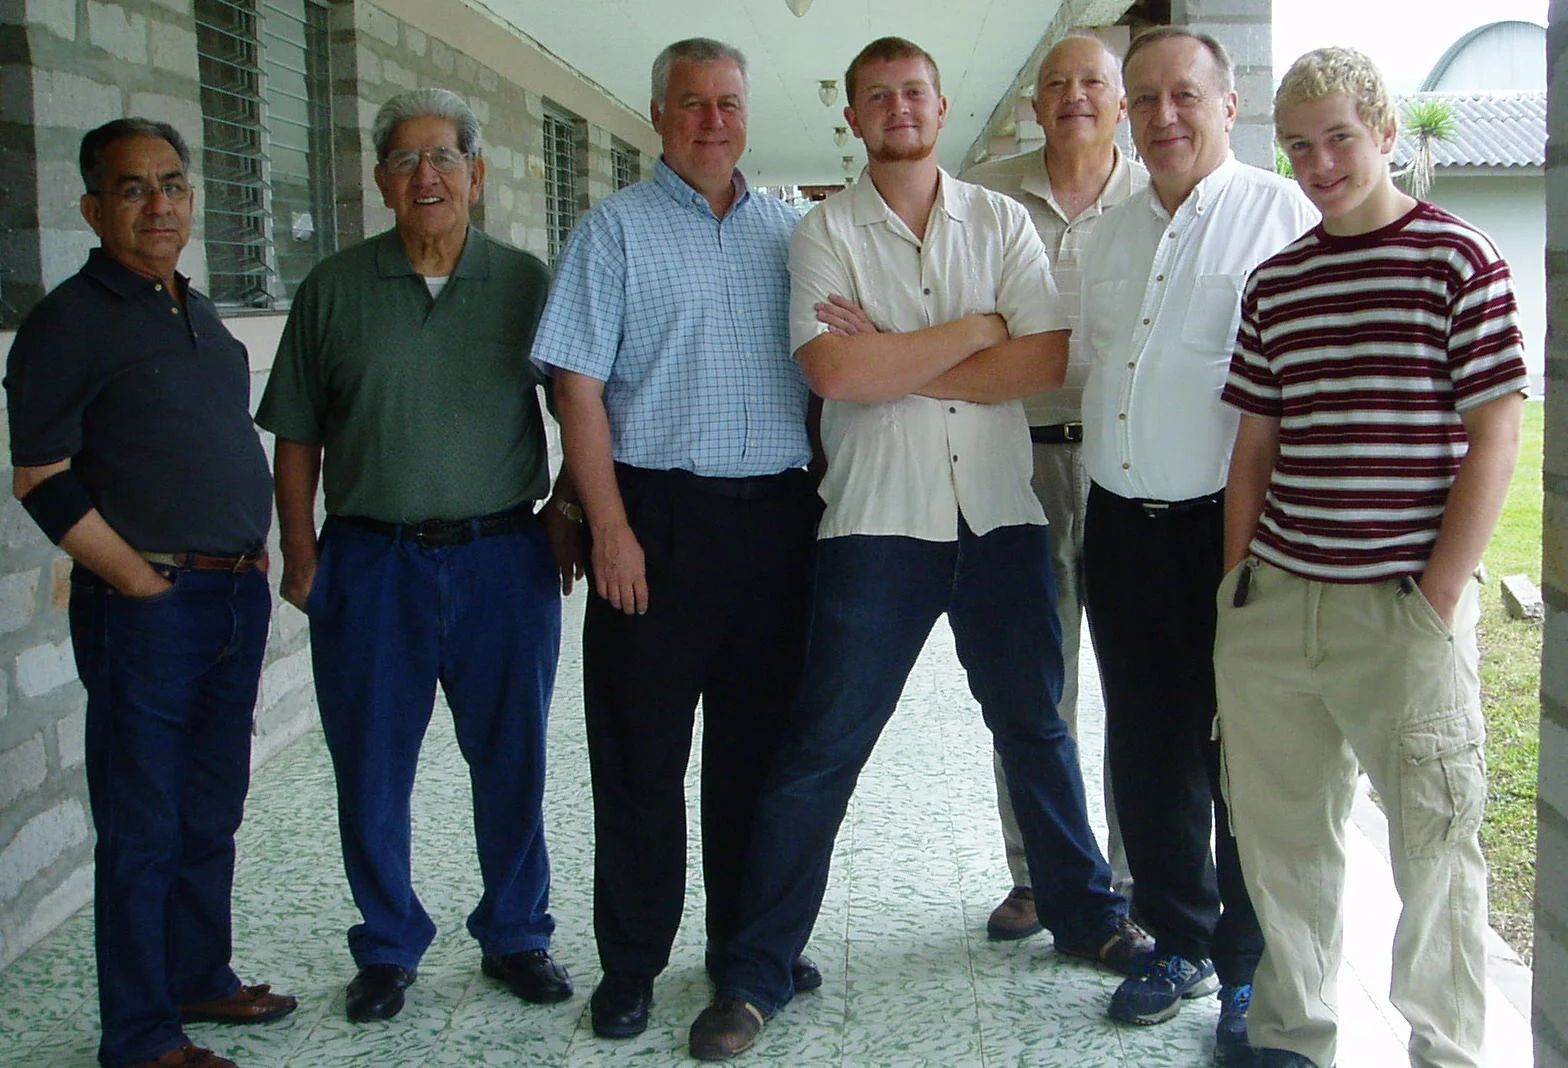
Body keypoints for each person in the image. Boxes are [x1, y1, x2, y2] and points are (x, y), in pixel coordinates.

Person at [688, 36, 1151, 1062]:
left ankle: (1082, 915)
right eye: (876, 97)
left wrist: (896, 355)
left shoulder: (999, 219)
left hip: (998, 516)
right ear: (852, 118)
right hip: (875, 526)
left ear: (940, 108)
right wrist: (976, 328)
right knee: (821, 751)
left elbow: (1041, 360)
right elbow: (835, 376)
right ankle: (756, 972)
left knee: (1034, 729)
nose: (898, 108)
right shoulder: (824, 230)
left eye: (913, 93)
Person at [1215, 47, 1528, 1068]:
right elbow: (1254, 444)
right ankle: (1290, 1036)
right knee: (1281, 844)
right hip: (1277, 607)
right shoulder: (1277, 282)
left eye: (1339, 138)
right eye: (1298, 146)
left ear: (1386, 132)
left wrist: (1436, 597)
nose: (1318, 164)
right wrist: (1238, 588)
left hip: (1398, 611)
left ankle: (1445, 1050)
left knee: (1434, 849)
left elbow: (1497, 432)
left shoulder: (1458, 259)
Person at [255, 88, 576, 1023]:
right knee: (370, 765)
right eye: (405, 160)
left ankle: (516, 933)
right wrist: (302, 552)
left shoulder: (525, 283)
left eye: (443, 158)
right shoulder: (333, 289)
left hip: (501, 559)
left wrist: (567, 511)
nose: (425, 176)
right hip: (371, 562)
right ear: (381, 181)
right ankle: (388, 945)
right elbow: (297, 436)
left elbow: (586, 406)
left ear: (476, 174)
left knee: (512, 758)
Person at [530, 38, 821, 1041]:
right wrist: (607, 526)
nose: (711, 121)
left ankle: (747, 951)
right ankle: (631, 965)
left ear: (747, 113)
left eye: (727, 103)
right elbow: (576, 391)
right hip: (652, 518)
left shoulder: (791, 233)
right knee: (640, 761)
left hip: (777, 522)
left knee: (757, 758)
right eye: (691, 103)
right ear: (657, 115)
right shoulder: (610, 232)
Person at [5, 118, 296, 1068]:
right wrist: (138, 581)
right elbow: (41, 477)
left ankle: (198, 977)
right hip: (149, 610)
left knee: (211, 810)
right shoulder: (68, 321)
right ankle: (138, 1036)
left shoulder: (197, 312)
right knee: (144, 828)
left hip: (231, 599)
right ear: (94, 209)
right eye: (133, 188)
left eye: (172, 184)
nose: (159, 204)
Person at [1075, 26, 1318, 1062]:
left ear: (1227, 104)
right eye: (1143, 98)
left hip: (1231, 532)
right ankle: (1178, 938)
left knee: (1243, 754)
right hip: (1119, 526)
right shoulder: (1110, 232)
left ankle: (1249, 964)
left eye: (1183, 95)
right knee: (1146, 742)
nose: (1162, 115)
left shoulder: (1282, 217)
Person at [962, 30, 1147, 939]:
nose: (1074, 96)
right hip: (1016, 453)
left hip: (1128, 463)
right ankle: (1038, 875)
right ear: (1034, 104)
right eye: (1056, 84)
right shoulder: (984, 194)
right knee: (1033, 684)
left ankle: (1133, 877)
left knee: (1138, 685)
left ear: (1121, 101)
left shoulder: (1157, 194)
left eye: (1092, 82)